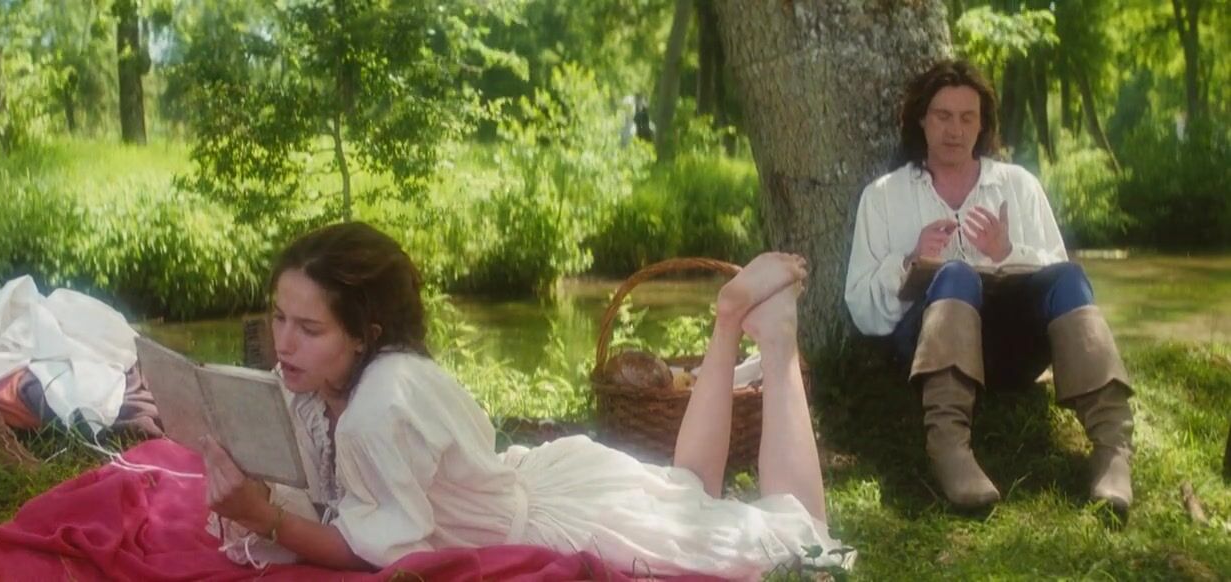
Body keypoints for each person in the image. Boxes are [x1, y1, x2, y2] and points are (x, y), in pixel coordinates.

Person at [202, 222, 853, 578]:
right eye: (279, 317)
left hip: (549, 523)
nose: (284, 343)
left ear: (364, 334)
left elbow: (377, 552)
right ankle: (731, 320)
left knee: (806, 542)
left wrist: (264, 518)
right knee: (688, 489)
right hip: (543, 481)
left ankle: (773, 340)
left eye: (308, 328)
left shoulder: (377, 410)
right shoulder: (345, 376)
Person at [844, 60, 1135, 512]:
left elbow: (1056, 274)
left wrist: (1007, 252)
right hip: (927, 351)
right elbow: (861, 307)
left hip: (1013, 353)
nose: (955, 130)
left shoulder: (1018, 185)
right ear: (921, 119)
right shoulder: (883, 196)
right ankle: (950, 450)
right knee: (956, 274)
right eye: (943, 116)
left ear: (983, 124)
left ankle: (1113, 450)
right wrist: (908, 262)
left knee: (1070, 276)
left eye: (968, 117)